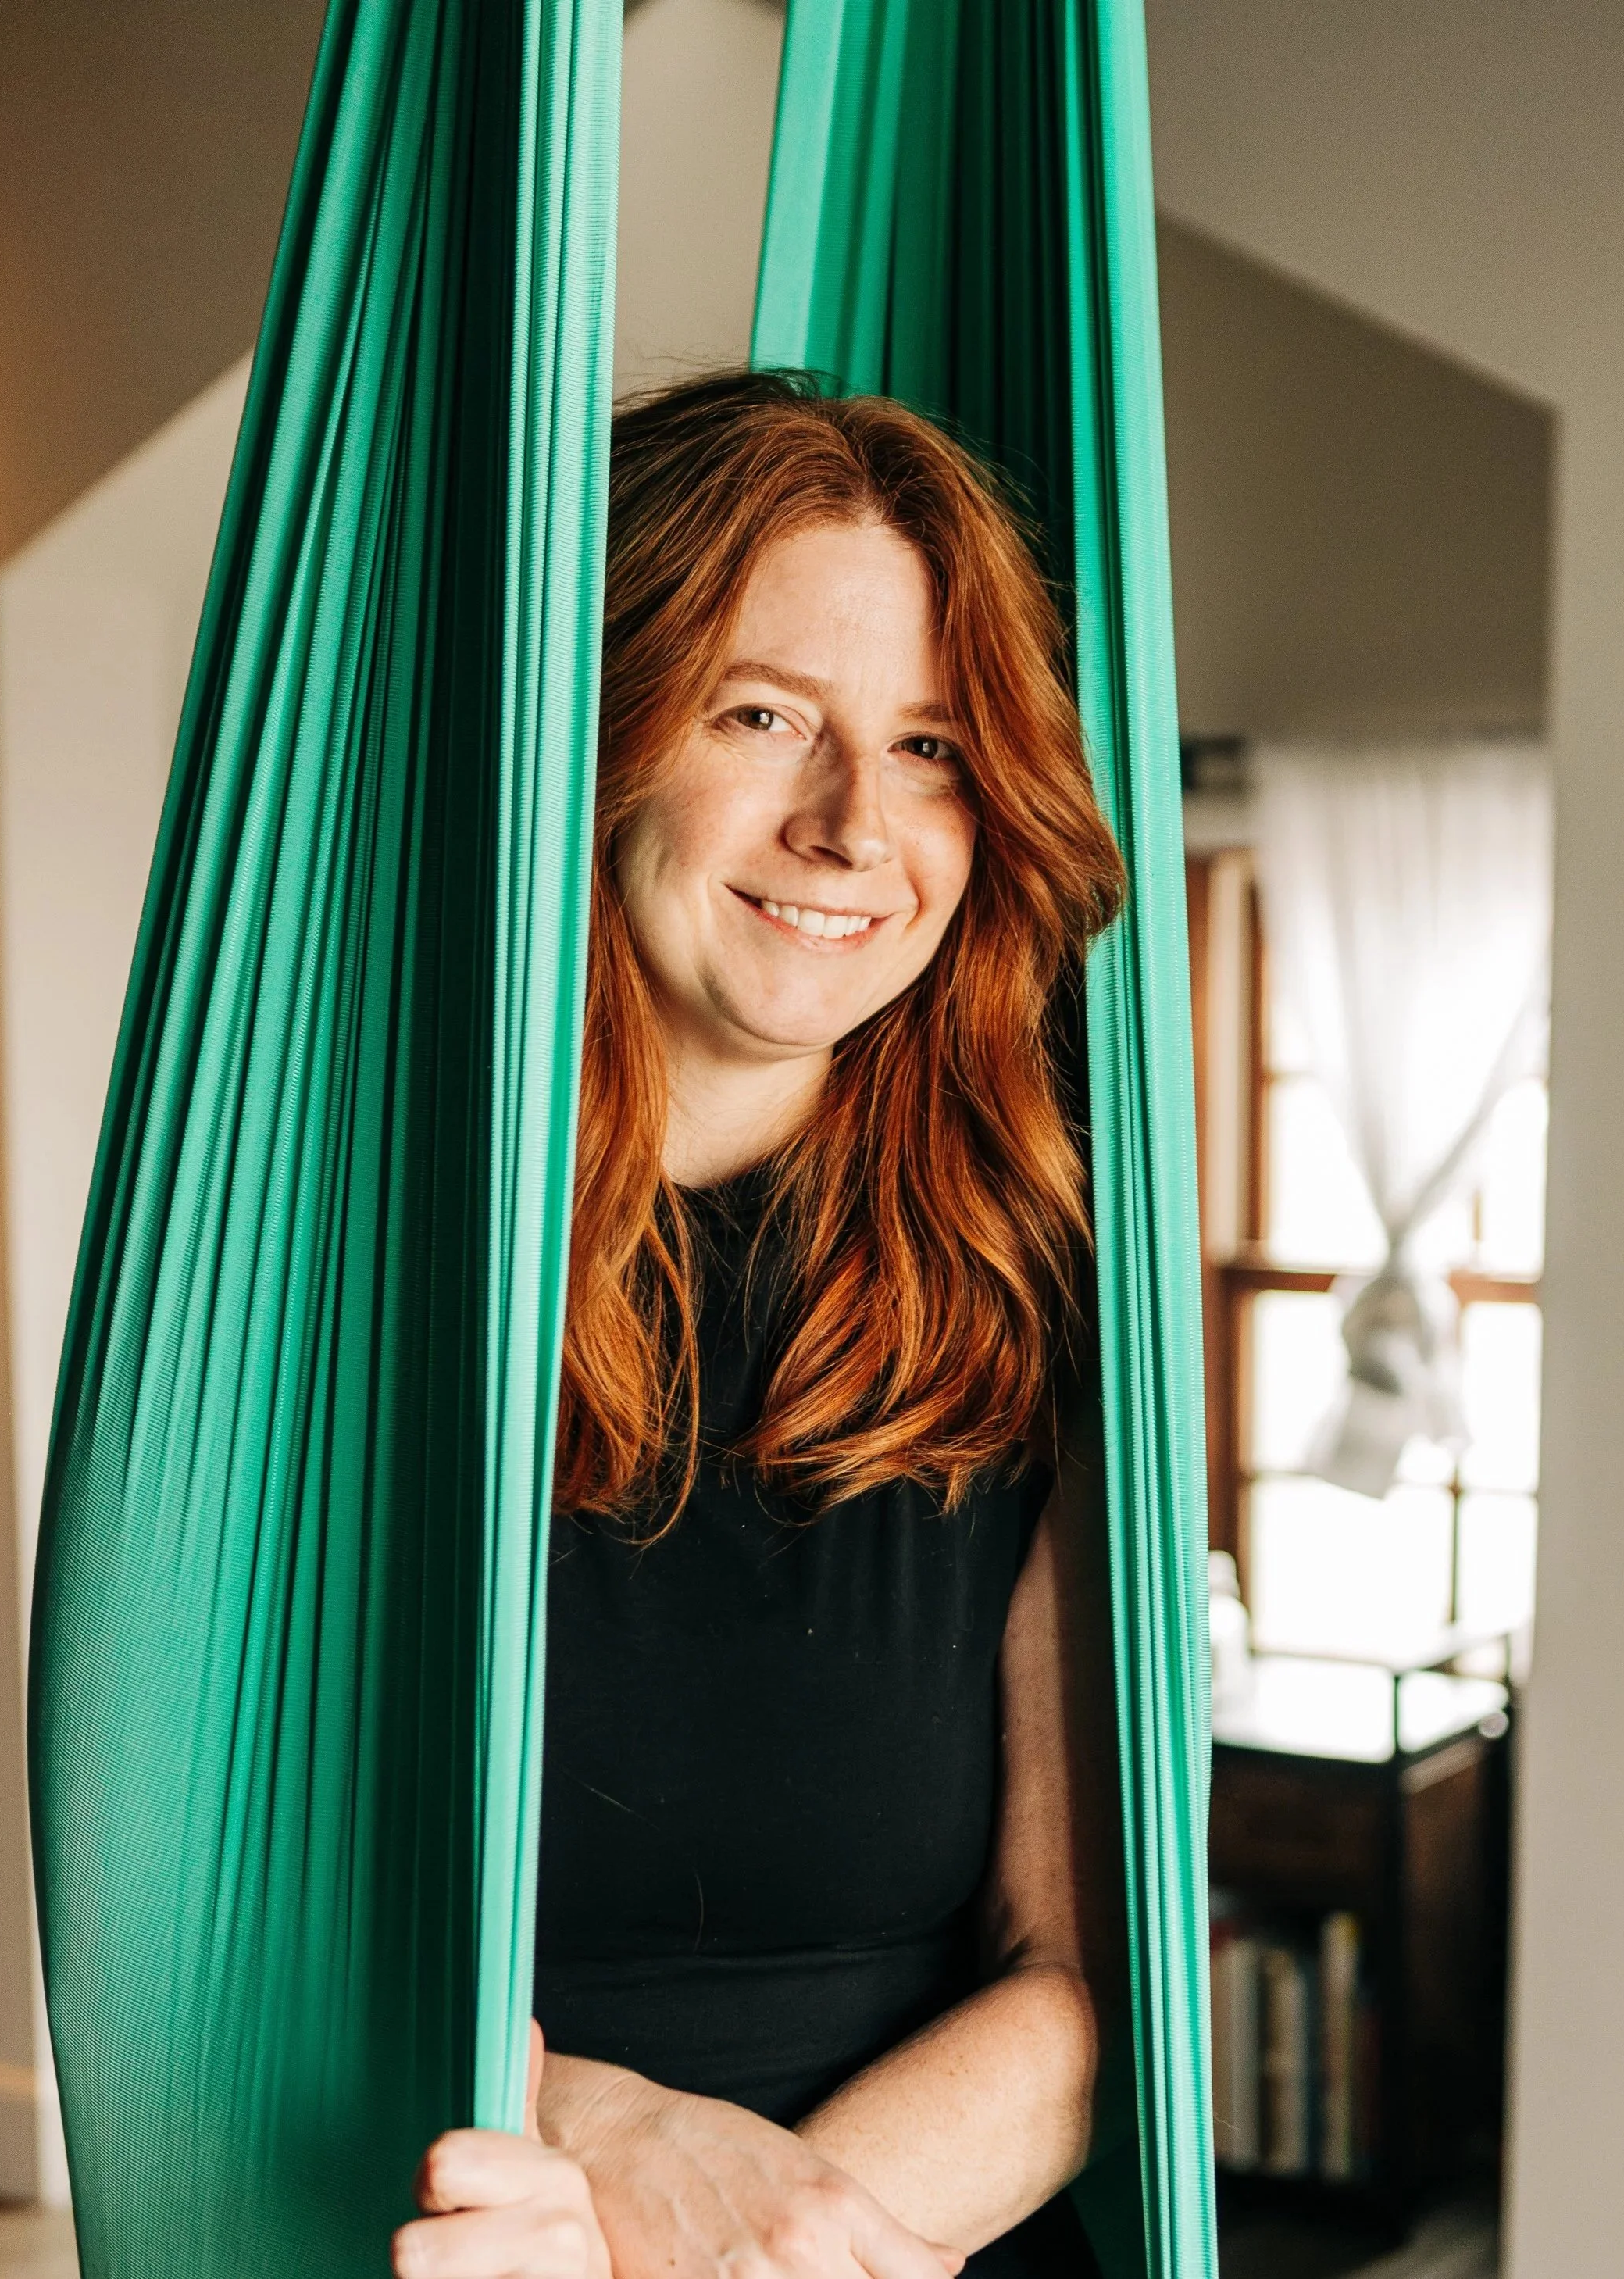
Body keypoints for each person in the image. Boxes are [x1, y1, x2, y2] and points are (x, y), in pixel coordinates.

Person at [392, 370, 1128, 2279]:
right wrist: (612, 2133)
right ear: (600, 733)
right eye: (763, 715)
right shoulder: (349, 1286)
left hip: (920, 2237)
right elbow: (222, 1925)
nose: (853, 825)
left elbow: (1085, 1997)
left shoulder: (1042, 1281)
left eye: (931, 746)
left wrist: (745, 2250)